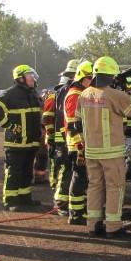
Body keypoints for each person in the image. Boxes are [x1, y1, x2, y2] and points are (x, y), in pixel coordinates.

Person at [76, 56, 131, 238]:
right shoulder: (115, 95)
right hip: (111, 152)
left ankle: (93, 225)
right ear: (112, 75)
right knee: (115, 187)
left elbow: (77, 121)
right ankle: (113, 227)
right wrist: (126, 92)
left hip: (91, 151)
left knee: (94, 186)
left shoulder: (83, 94)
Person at [0, 65, 43, 211]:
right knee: (14, 172)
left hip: (31, 142)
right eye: (30, 75)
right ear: (20, 78)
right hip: (16, 142)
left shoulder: (33, 93)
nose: (33, 78)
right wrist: (9, 126)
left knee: (27, 172)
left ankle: (25, 198)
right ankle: (11, 200)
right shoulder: (11, 93)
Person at [62, 60, 93, 225]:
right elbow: (74, 123)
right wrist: (81, 145)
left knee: (82, 178)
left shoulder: (82, 92)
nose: (91, 81)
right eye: (89, 78)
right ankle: (75, 214)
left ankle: (80, 210)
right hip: (77, 144)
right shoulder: (75, 94)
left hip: (82, 143)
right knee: (79, 177)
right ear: (81, 77)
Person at [51, 59, 80, 214]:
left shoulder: (63, 90)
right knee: (67, 171)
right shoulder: (70, 91)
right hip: (67, 137)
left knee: (68, 170)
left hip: (63, 137)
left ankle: (64, 202)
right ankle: (61, 204)